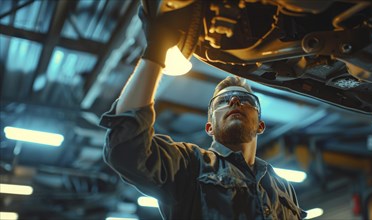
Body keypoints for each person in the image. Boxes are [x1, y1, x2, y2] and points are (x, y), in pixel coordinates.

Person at [99, 5, 306, 220]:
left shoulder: (281, 186)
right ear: (210, 127)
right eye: (222, 101)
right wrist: (155, 50)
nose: (234, 100)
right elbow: (126, 148)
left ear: (260, 125)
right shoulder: (190, 164)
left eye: (245, 100)